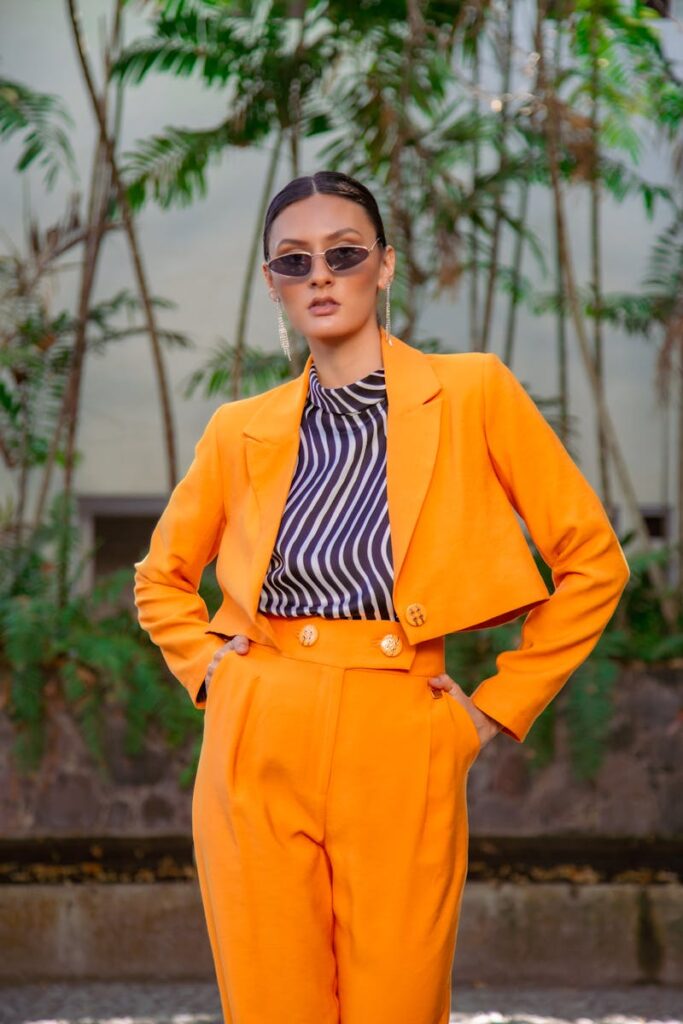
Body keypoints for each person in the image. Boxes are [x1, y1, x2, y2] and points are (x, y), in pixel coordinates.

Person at [133, 169, 630, 1024]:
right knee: (270, 1006)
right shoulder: (236, 430)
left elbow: (592, 560)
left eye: (343, 253)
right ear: (272, 284)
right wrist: (216, 676)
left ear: (384, 266)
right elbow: (160, 578)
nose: (319, 275)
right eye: (294, 260)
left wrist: (490, 710)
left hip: (403, 726)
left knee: (396, 1004)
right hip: (259, 726)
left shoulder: (471, 391)